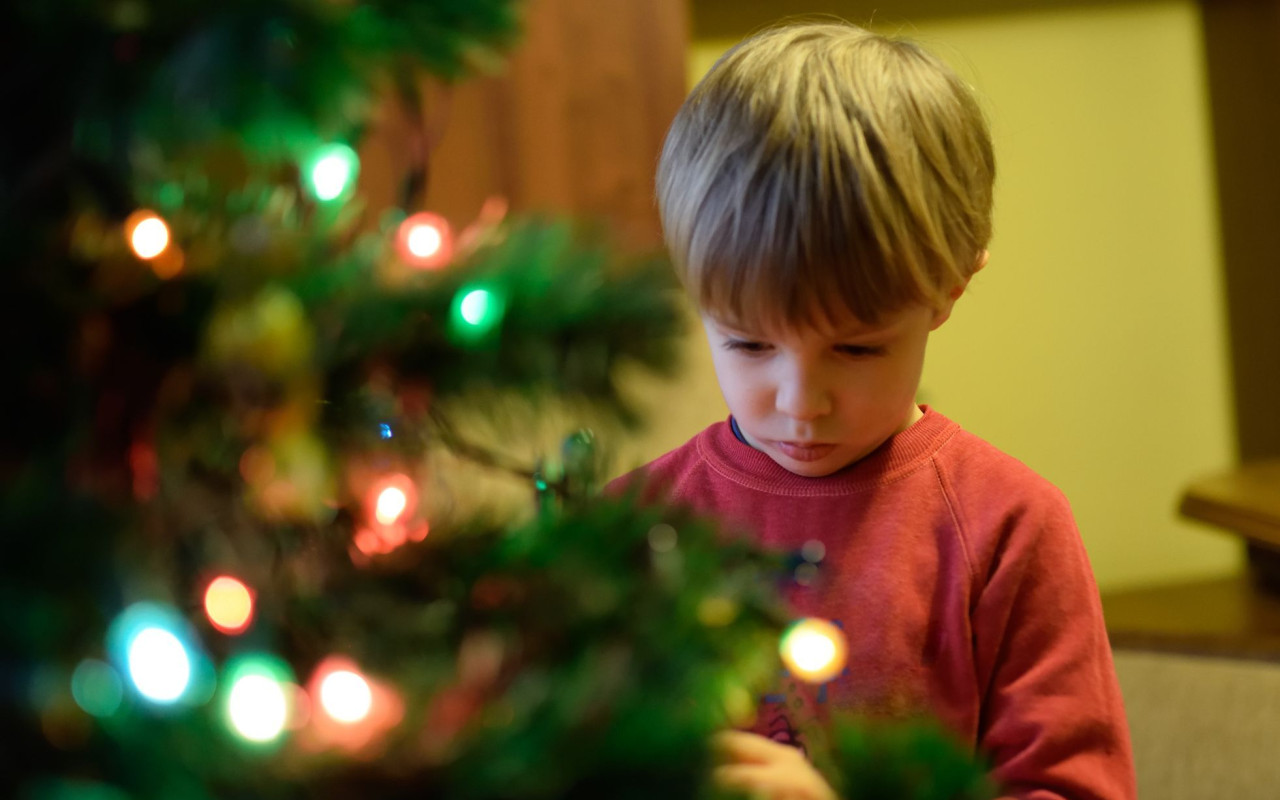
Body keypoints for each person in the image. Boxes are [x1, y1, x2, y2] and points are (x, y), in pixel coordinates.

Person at [608, 20, 1137, 800]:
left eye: (855, 351)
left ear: (950, 286)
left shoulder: (1008, 530)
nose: (799, 402)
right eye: (749, 346)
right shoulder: (635, 525)